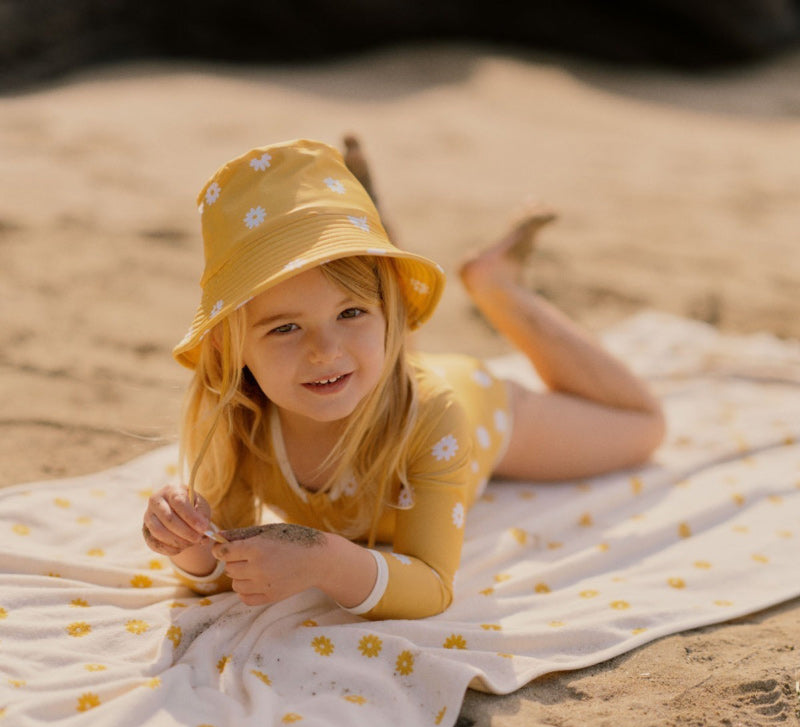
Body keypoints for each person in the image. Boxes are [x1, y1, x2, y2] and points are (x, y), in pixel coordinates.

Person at [141, 138, 665, 620]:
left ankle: (497, 287)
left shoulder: (436, 414)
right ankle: (368, 240)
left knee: (643, 427)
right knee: (360, 363)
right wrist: (184, 538)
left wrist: (325, 559)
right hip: (379, 375)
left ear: (393, 309)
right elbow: (220, 568)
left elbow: (433, 584)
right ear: (227, 347)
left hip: (479, 401)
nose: (322, 350)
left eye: (350, 313)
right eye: (285, 327)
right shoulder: (239, 414)